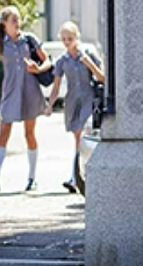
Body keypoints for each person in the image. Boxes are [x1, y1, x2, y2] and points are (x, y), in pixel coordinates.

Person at [0, 6, 51, 193]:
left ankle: (32, 178)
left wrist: (39, 69)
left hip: (29, 91)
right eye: (13, 20)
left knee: (29, 134)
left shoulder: (29, 40)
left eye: (18, 19)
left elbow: (47, 60)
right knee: (3, 132)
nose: (17, 23)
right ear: (4, 24)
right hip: (10, 92)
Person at [44, 21, 104, 194]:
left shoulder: (88, 54)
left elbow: (102, 78)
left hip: (88, 99)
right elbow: (55, 86)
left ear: (77, 37)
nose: (67, 42)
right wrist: (50, 105)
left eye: (70, 38)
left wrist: (89, 63)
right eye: (63, 39)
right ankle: (75, 177)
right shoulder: (62, 60)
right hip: (72, 102)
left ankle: (76, 177)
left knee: (83, 138)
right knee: (77, 140)